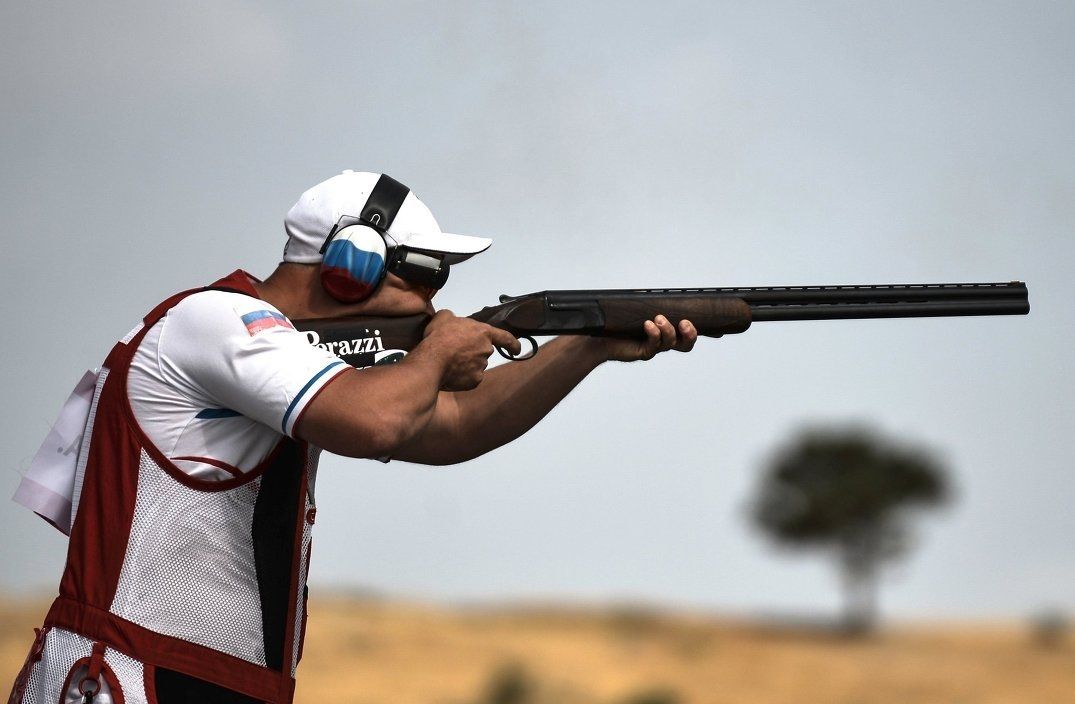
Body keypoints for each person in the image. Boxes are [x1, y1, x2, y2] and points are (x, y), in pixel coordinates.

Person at [8, 170, 697, 704]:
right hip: (131, 674)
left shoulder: (264, 348)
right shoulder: (217, 321)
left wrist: (586, 346)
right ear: (351, 263)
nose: (434, 301)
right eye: (425, 274)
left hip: (205, 681)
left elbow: (459, 426)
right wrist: (435, 354)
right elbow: (378, 422)